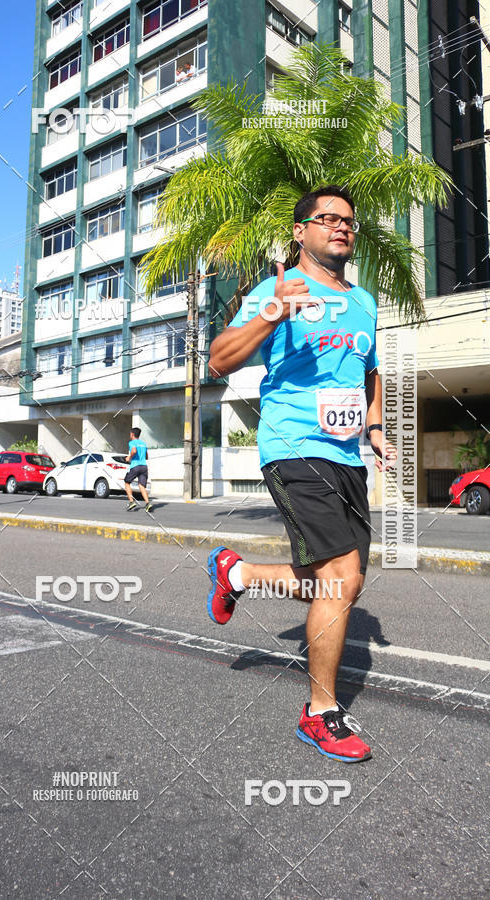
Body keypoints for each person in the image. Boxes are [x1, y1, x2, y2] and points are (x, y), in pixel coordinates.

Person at [206, 185, 397, 763]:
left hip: (346, 456)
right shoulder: (278, 288)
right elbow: (219, 358)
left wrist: (376, 424)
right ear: (301, 231)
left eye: (348, 221)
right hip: (292, 445)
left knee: (343, 582)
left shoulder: (362, 302)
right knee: (339, 573)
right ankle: (321, 713)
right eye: (326, 218)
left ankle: (236, 574)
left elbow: (371, 371)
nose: (340, 227)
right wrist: (273, 311)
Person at [124, 427, 152, 512]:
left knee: (127, 482)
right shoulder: (143, 444)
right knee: (141, 486)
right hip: (144, 467)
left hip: (135, 466)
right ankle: (147, 503)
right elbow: (146, 457)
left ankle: (131, 502)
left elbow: (134, 450)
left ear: (132, 434)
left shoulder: (132, 442)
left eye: (130, 434)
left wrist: (129, 457)